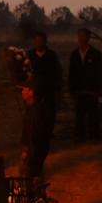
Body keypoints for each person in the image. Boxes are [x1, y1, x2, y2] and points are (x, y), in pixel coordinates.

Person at [27, 31, 62, 162]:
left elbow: (57, 76)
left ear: (45, 42)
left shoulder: (51, 56)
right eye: (36, 41)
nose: (38, 43)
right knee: (33, 125)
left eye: (40, 41)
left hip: (48, 96)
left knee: (47, 124)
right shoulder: (29, 56)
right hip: (33, 97)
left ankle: (43, 148)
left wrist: (57, 94)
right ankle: (33, 149)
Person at [68, 28, 102, 141]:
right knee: (80, 114)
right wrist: (72, 88)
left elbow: (99, 72)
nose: (81, 39)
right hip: (79, 89)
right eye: (79, 36)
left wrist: (98, 89)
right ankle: (80, 136)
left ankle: (94, 136)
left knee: (93, 114)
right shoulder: (74, 54)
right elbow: (71, 73)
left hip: (92, 90)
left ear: (88, 38)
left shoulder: (96, 54)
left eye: (83, 36)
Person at [19, 75, 52, 178]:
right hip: (33, 151)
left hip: (33, 153)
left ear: (31, 92)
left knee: (30, 179)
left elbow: (35, 135)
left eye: (25, 89)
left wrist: (27, 153)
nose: (22, 92)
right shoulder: (32, 108)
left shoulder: (37, 112)